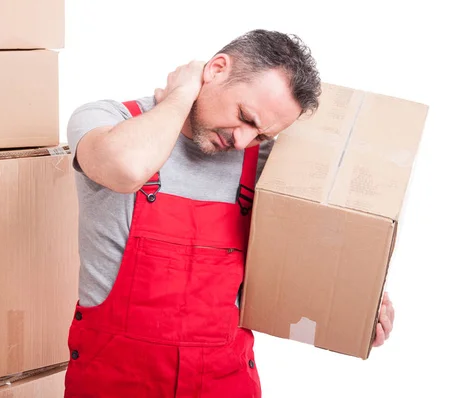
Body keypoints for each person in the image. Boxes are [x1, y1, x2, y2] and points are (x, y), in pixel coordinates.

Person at [63, 29, 395, 398]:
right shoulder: (109, 121)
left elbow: (310, 259)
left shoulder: (269, 166)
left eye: (260, 135)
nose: (241, 141)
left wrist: (360, 299)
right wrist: (182, 93)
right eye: (245, 117)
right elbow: (126, 169)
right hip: (115, 381)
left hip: (223, 381)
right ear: (217, 68)